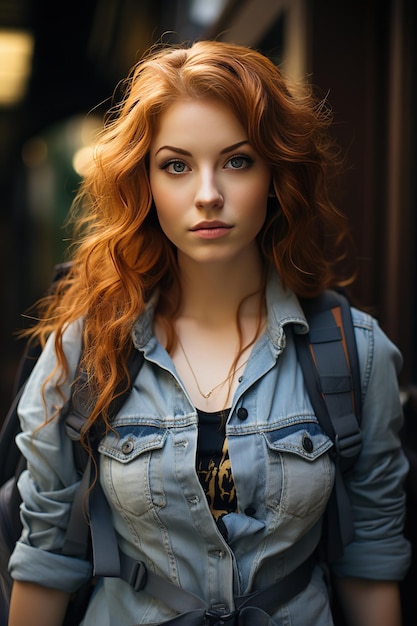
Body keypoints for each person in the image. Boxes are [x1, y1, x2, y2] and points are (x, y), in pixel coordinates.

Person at [7, 40, 410, 626]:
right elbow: (44, 559)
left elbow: (370, 559)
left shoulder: (354, 353)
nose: (207, 195)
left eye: (237, 161)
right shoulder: (85, 351)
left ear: (275, 174)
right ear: (145, 182)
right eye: (176, 165)